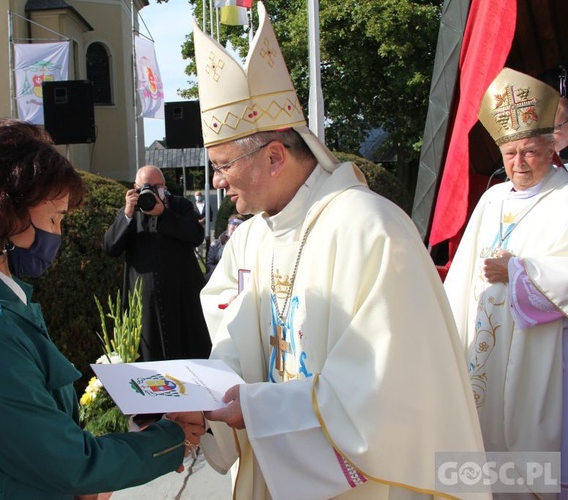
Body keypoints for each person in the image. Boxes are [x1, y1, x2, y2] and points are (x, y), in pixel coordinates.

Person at [179, 3, 487, 498]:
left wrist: (256, 409)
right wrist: (206, 400)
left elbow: (389, 392)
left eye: (223, 164)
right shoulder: (253, 237)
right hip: (272, 469)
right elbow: (235, 339)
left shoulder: (370, 230)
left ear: (275, 156)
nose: (217, 182)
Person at [0, 120, 204, 498]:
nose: (58, 235)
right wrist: (172, 439)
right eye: (54, 218)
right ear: (2, 213)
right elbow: (70, 464)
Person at [444, 68, 568, 496]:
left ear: (551, 147)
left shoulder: (565, 197)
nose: (518, 163)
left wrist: (520, 271)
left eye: (530, 151)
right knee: (473, 448)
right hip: (477, 351)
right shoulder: (492, 198)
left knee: (526, 460)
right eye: (509, 152)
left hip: (537, 355)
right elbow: (460, 275)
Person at [103, 165, 211, 361]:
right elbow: (110, 247)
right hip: (145, 304)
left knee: (189, 350)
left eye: (157, 187)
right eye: (146, 187)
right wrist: (127, 214)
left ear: (164, 186)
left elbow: (196, 235)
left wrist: (163, 214)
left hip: (182, 298)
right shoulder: (129, 212)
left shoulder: (179, 205)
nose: (152, 192)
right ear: (135, 188)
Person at [204, 214, 242, 281]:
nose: (236, 227)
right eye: (234, 224)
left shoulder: (245, 245)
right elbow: (210, 264)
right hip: (217, 277)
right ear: (228, 225)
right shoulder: (215, 244)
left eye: (239, 225)